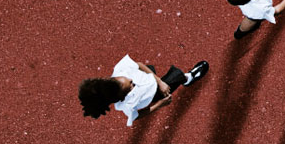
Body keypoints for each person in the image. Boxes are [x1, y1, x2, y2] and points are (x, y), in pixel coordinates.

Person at [79, 55, 209, 125]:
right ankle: (188, 78)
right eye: (130, 87)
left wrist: (159, 81)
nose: (131, 81)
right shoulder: (127, 105)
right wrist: (159, 105)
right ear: (123, 97)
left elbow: (140, 65)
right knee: (177, 76)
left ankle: (165, 78)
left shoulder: (121, 70)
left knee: (150, 69)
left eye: (127, 79)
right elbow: (136, 116)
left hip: (152, 80)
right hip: (153, 94)